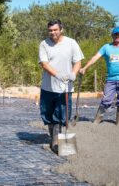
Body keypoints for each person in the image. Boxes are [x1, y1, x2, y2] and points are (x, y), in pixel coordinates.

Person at [79, 26, 119, 125]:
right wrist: (85, 67)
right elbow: (96, 57)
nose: (117, 36)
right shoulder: (106, 47)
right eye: (115, 34)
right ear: (112, 35)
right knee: (106, 99)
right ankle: (97, 120)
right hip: (111, 79)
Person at [38, 19, 84, 154]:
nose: (53, 32)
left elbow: (77, 61)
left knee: (61, 114)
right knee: (47, 113)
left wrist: (74, 74)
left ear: (61, 29)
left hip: (65, 88)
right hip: (48, 86)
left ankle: (56, 142)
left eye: (55, 30)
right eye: (50, 30)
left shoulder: (71, 43)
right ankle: (53, 138)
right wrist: (57, 75)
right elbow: (44, 64)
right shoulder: (44, 44)